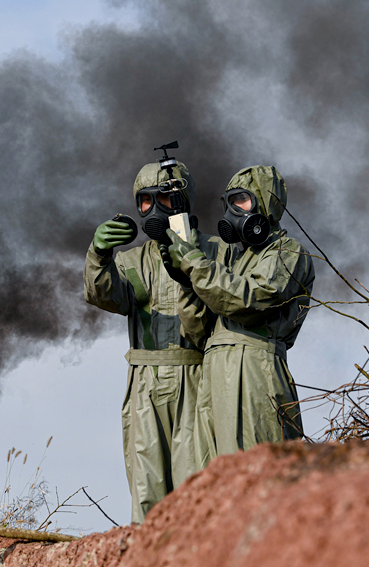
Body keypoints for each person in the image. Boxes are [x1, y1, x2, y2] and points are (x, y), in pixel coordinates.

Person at [83, 161, 232, 522]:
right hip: (145, 383)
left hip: (196, 380)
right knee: (148, 487)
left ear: (181, 199)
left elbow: (223, 309)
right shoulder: (133, 260)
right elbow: (107, 296)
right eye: (145, 202)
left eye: (163, 198)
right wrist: (98, 256)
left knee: (196, 485)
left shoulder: (216, 251)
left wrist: (189, 265)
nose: (153, 209)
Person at [164, 165, 315, 469]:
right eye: (228, 203)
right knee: (212, 475)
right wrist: (187, 284)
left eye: (241, 200)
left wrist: (195, 264)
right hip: (214, 372)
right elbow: (198, 331)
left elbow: (250, 300)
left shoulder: (288, 252)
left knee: (258, 470)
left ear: (265, 202)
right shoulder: (231, 260)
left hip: (256, 370)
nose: (232, 210)